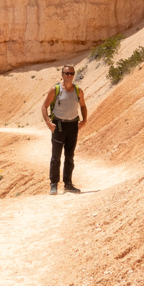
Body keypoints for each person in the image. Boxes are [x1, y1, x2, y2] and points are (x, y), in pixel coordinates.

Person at [41, 65, 88, 195]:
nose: (69, 76)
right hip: (58, 126)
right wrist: (49, 123)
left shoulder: (78, 91)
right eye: (67, 73)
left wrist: (84, 120)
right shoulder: (55, 90)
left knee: (69, 156)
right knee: (56, 156)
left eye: (72, 73)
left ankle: (68, 184)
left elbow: (83, 105)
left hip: (73, 126)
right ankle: (53, 184)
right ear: (62, 74)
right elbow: (44, 107)